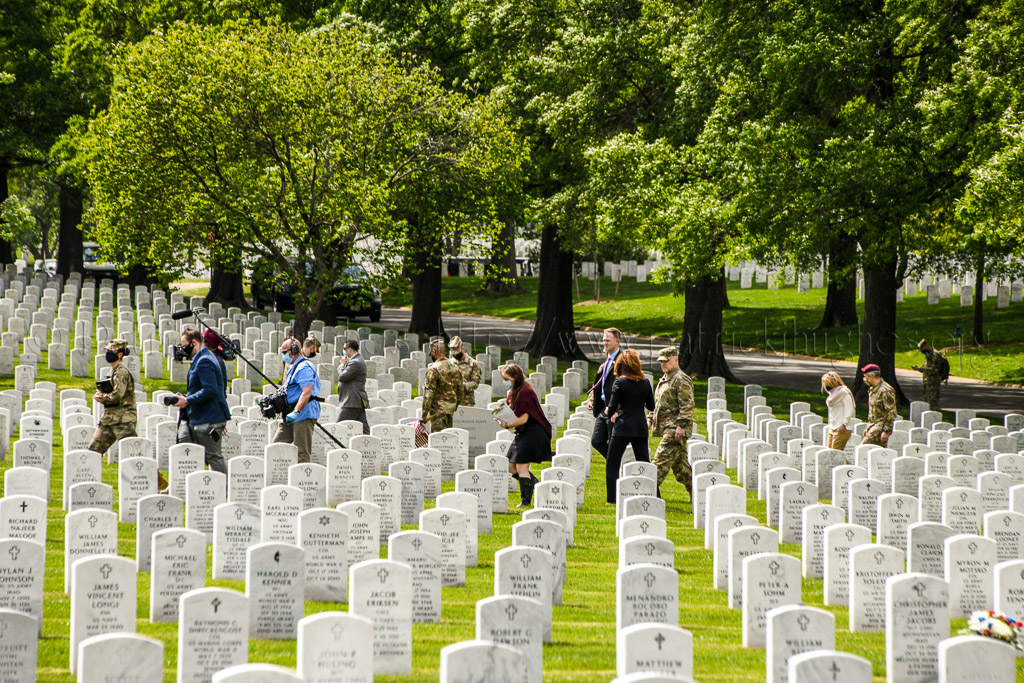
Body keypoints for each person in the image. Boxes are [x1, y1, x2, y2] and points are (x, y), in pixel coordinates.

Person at [172, 328, 232, 475]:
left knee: (213, 457)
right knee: (190, 452)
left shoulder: (205, 360)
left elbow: (210, 390)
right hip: (200, 417)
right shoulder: (202, 358)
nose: (182, 349)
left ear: (194, 343)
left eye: (184, 345)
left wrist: (187, 400)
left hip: (209, 419)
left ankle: (223, 491)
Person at [496, 363, 552, 507]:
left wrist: (508, 424)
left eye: (506, 378)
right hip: (523, 432)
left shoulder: (526, 391)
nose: (504, 381)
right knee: (510, 465)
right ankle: (535, 484)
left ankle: (525, 501)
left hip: (533, 432)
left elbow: (524, 418)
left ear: (515, 377)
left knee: (521, 467)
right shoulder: (514, 390)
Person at [603, 349, 655, 504]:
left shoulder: (620, 382)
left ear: (621, 365)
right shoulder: (645, 382)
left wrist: (609, 412)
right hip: (640, 427)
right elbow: (651, 406)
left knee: (613, 463)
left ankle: (612, 499)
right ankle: (654, 494)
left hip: (622, 428)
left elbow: (612, 407)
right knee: (645, 463)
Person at [650, 347, 695, 500]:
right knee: (681, 469)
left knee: (659, 463)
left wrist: (682, 425)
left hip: (674, 429)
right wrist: (650, 419)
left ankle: (645, 495)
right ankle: (700, 493)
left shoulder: (680, 379)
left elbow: (687, 405)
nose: (663, 364)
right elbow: (659, 404)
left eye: (666, 361)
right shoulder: (665, 379)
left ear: (675, 360)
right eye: (661, 361)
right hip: (667, 428)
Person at [272, 336, 322, 463]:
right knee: (276, 447)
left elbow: (307, 392)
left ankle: (303, 480)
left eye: (284, 352)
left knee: (302, 453)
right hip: (289, 412)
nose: (283, 355)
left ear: (294, 350)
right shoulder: (295, 366)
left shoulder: (304, 367)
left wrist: (297, 412)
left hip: (303, 414)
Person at [88, 339, 137, 455]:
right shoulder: (113, 371)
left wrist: (101, 397)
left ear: (119, 354)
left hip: (123, 421)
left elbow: (117, 395)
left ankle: (153, 474)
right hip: (110, 419)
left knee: (135, 455)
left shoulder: (121, 372)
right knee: (93, 452)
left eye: (110, 351)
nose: (107, 354)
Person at [588, 327, 622, 460]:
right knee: (596, 441)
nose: (605, 343)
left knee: (614, 443)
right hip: (603, 408)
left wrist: (617, 409)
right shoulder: (605, 363)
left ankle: (617, 466)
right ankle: (618, 463)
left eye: (608, 340)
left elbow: (624, 388)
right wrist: (592, 398)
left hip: (614, 409)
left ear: (616, 341)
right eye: (603, 340)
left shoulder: (623, 361)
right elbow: (598, 384)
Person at [419, 337, 464, 432]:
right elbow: (460, 391)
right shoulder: (455, 367)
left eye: (431, 352)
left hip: (437, 412)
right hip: (450, 411)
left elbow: (428, 394)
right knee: (448, 442)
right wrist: (454, 406)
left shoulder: (434, 369)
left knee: (438, 441)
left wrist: (424, 415)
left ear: (434, 351)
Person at [337, 339, 369, 434]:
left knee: (338, 427)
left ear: (350, 349)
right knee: (364, 429)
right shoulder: (357, 360)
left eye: (344, 348)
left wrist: (342, 365)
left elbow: (342, 377)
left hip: (352, 401)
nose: (343, 351)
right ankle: (372, 446)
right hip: (356, 401)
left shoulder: (356, 362)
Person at [861, 363, 896, 446]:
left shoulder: (885, 390)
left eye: (865, 376)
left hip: (881, 426)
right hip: (873, 425)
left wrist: (886, 431)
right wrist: (868, 427)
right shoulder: (873, 389)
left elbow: (891, 411)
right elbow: (873, 411)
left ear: (871, 376)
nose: (864, 379)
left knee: (862, 449)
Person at [821, 371, 855, 452]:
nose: (826, 386)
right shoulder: (832, 394)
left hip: (842, 428)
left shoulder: (844, 393)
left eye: (828, 383)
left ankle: (850, 466)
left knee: (835, 456)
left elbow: (849, 409)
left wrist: (844, 424)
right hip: (832, 427)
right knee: (829, 454)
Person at [912, 339, 946, 411]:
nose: (922, 352)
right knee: (926, 403)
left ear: (926, 346)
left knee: (933, 404)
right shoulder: (929, 355)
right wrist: (920, 369)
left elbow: (935, 370)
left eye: (923, 349)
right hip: (927, 383)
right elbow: (928, 368)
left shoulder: (935, 355)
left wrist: (921, 369)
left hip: (933, 384)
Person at [450, 336, 481, 406]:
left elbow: (475, 383)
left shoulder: (473, 364)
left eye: (457, 353)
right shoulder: (449, 363)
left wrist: (461, 386)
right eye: (453, 353)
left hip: (466, 402)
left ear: (462, 348)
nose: (455, 355)